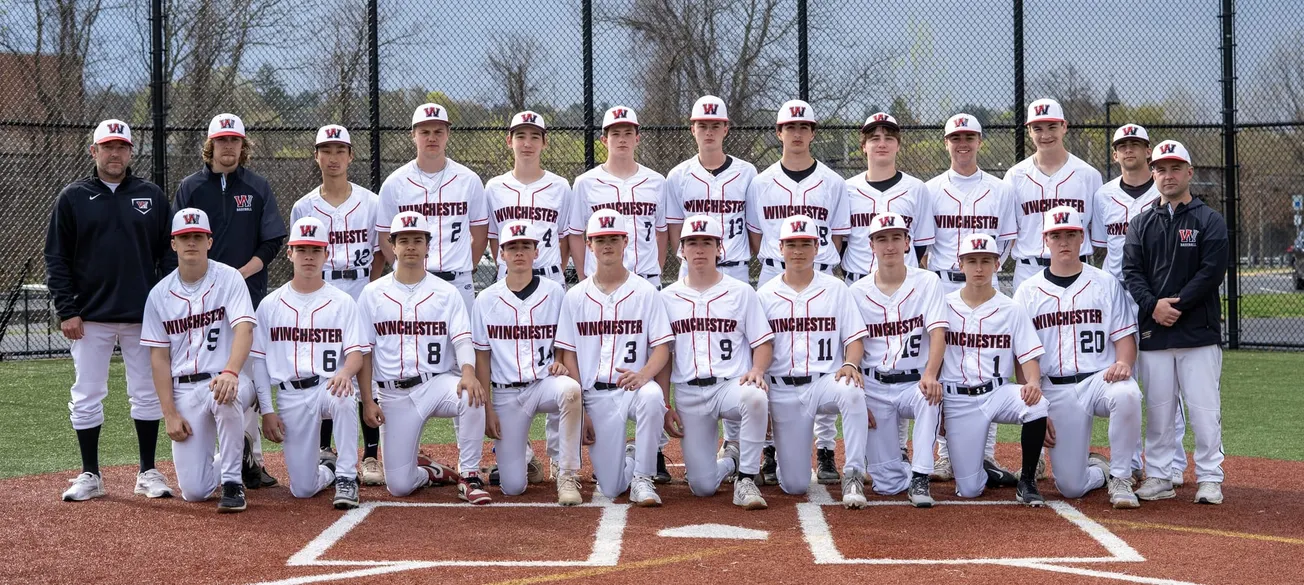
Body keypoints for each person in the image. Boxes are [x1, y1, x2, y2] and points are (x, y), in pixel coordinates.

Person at [45, 119, 175, 502]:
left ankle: (147, 471)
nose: (115, 153)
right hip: (89, 318)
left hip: (142, 317)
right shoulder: (72, 197)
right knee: (86, 393)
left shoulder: (151, 196)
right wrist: (67, 310)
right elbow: (56, 258)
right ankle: (90, 474)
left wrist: (163, 306)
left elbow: (168, 256)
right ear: (94, 151)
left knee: (147, 394)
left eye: (122, 147)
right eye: (107, 146)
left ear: (131, 152)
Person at [173, 112, 286, 489]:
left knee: (245, 377)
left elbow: (271, 242)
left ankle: (249, 460)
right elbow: (179, 240)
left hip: (246, 295)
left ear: (243, 145)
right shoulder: (191, 187)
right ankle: (219, 457)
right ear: (211, 145)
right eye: (221, 140)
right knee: (209, 375)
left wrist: (238, 276)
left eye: (234, 140)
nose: (228, 146)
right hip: (201, 304)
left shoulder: (257, 186)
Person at [566, 106, 675, 483]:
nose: (622, 137)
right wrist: (587, 276)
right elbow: (577, 234)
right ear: (604, 139)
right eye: (615, 132)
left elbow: (661, 232)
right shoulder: (586, 183)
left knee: (652, 367)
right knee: (600, 358)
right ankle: (581, 451)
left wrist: (653, 271)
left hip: (644, 281)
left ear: (638, 137)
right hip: (600, 285)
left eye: (628, 131)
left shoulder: (657, 181)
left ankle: (654, 452)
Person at [745, 99, 851, 485]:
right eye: (790, 127)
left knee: (823, 360)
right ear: (779, 133)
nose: (797, 133)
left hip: (820, 276)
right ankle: (770, 446)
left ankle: (825, 448)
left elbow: (838, 235)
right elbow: (756, 237)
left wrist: (818, 267)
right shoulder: (760, 182)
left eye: (804, 127)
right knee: (771, 360)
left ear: (812, 132)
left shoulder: (833, 182)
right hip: (773, 276)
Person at [1013, 206, 1143, 509]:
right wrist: (1037, 410)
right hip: (1054, 389)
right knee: (1071, 487)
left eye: (1070, 234)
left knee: (1127, 393)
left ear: (1081, 237)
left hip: (1099, 379)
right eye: (1056, 235)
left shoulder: (1104, 283)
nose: (1064, 242)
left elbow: (1125, 339)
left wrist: (1123, 363)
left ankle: (1122, 478)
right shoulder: (1028, 291)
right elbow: (1022, 359)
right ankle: (1101, 470)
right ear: (1045, 239)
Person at [357, 211, 492, 504]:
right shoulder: (371, 294)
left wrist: (468, 372)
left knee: (470, 394)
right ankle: (426, 472)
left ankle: (468, 476)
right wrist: (368, 399)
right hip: (392, 394)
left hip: (435, 384)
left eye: (418, 240)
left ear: (428, 245)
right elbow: (364, 353)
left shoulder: (446, 292)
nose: (411, 246)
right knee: (399, 486)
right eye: (403, 240)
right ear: (392, 245)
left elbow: (462, 339)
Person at [140, 208, 268, 512]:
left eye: (198, 236)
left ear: (209, 241)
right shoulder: (159, 295)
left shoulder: (229, 279)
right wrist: (169, 413)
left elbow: (244, 330)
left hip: (229, 379)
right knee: (195, 492)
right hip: (185, 389)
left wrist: (231, 371)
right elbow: (158, 359)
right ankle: (237, 451)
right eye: (184, 237)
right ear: (174, 244)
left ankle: (234, 483)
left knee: (224, 395)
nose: (191, 243)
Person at [1123, 140, 1229, 505]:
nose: (1167, 176)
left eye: (1174, 168)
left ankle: (1210, 477)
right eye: (1160, 169)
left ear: (1189, 173)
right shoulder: (1140, 223)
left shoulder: (1209, 219)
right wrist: (1154, 307)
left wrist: (1176, 305)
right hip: (1155, 333)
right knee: (1158, 412)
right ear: (1153, 174)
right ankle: (1160, 476)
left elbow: (1211, 272)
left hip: (1198, 333)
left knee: (1203, 411)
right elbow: (1131, 272)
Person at [923, 113, 1019, 483]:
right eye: (955, 137)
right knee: (946, 369)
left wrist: (985, 278)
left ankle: (987, 454)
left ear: (980, 141)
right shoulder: (929, 189)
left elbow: (1006, 242)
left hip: (986, 285)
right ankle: (945, 455)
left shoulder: (1000, 188)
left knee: (990, 366)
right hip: (944, 285)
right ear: (946, 143)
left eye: (969, 137)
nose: (963, 143)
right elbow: (923, 245)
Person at [249, 217, 371, 509]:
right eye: (302, 249)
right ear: (289, 253)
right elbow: (260, 365)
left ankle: (346, 477)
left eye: (316, 250)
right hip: (290, 395)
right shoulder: (270, 305)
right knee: (302, 489)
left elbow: (357, 354)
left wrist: (345, 372)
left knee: (343, 395)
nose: (308, 256)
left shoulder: (342, 302)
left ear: (327, 255)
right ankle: (329, 470)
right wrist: (267, 411)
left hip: (327, 386)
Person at [289, 124, 386, 487]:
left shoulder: (371, 201)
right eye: (326, 151)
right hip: (322, 293)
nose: (333, 157)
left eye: (339, 151)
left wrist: (369, 286)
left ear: (350, 156)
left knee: (365, 370)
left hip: (360, 286)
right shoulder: (304, 206)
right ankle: (325, 449)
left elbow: (379, 253)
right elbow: (299, 254)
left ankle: (372, 454)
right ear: (316, 156)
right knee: (326, 365)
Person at [555, 209, 673, 507]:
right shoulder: (575, 296)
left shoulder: (646, 292)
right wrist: (582, 407)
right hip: (597, 395)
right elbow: (569, 354)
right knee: (610, 487)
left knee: (651, 396)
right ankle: (632, 459)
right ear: (589, 245)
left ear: (625, 242)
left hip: (633, 388)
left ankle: (644, 477)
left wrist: (644, 374)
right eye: (600, 239)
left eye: (613, 239)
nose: (607, 245)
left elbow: (662, 347)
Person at [657, 215, 773, 510]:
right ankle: (732, 462)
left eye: (706, 242)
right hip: (689, 393)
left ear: (719, 248)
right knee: (703, 487)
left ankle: (746, 477)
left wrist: (757, 370)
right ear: (681, 249)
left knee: (756, 396)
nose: (699, 249)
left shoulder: (741, 291)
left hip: (730, 386)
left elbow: (762, 342)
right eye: (692, 243)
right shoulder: (667, 297)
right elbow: (664, 355)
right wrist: (666, 404)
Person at [756, 215, 871, 509]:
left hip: (824, 381)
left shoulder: (835, 289)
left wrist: (852, 364)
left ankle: (854, 473)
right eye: (791, 244)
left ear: (817, 247)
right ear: (779, 248)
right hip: (782, 388)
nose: (798, 251)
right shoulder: (764, 295)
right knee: (794, 485)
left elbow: (855, 338)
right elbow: (756, 350)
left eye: (805, 244)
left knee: (853, 390)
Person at [483, 111, 573, 483]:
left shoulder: (560, 186)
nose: (527, 142)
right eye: (520, 135)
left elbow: (567, 239)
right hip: (509, 284)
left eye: (534, 136)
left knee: (556, 367)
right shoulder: (494, 187)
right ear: (509, 141)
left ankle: (559, 457)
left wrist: (551, 271)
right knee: (511, 362)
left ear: (544, 142)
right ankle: (521, 453)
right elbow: (491, 240)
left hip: (550, 280)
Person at [1093, 124, 1185, 485]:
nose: (1128, 150)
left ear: (1149, 151)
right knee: (1121, 381)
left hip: (1156, 297)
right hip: (1116, 297)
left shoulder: (1166, 190)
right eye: (1122, 146)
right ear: (1115, 154)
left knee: (1164, 383)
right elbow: (1104, 246)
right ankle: (1128, 462)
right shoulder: (1103, 195)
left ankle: (1173, 462)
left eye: (1136, 144)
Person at [473, 220, 584, 505]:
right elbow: (482, 358)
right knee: (512, 487)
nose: (519, 252)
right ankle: (527, 459)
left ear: (537, 252)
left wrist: (560, 362)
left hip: (544, 383)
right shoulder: (485, 300)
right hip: (506, 392)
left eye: (525, 246)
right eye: (512, 247)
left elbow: (563, 340)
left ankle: (566, 471)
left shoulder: (555, 292)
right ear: (502, 254)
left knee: (571, 390)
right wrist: (488, 409)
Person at [939, 233, 1049, 507]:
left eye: (986, 261)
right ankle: (989, 472)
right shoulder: (944, 306)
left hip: (997, 392)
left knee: (1036, 405)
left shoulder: (1011, 309)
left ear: (997, 265)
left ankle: (1027, 480)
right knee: (969, 489)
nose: (979, 268)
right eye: (972, 261)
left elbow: (1028, 355)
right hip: (957, 400)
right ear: (960, 264)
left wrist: (1033, 382)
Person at [849, 212, 945, 508]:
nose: (889, 245)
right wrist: (857, 399)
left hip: (914, 382)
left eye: (895, 238)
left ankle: (920, 474)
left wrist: (931, 373)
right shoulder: (856, 291)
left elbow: (938, 332)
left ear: (907, 242)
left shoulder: (928, 281)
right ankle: (903, 470)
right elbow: (853, 345)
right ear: (872, 245)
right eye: (881, 239)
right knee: (887, 485)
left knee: (929, 397)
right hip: (876, 386)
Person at [377, 103, 489, 311]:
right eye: (425, 132)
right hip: (411, 282)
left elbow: (480, 236)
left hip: (457, 281)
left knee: (463, 342)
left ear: (448, 134)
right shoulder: (395, 183)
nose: (432, 138)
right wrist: (402, 268)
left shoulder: (469, 180)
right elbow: (384, 235)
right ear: (413, 135)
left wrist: (464, 268)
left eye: (438, 131)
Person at [1003, 98, 1105, 291]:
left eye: (1052, 127)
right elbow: (1009, 232)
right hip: (1028, 271)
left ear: (1064, 127)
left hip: (1078, 271)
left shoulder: (1088, 175)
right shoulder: (1015, 176)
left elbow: (1096, 231)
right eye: (1038, 128)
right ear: (1029, 131)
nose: (1046, 135)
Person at [665, 95, 758, 284]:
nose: (709, 132)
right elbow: (675, 228)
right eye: (702, 126)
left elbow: (753, 225)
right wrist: (687, 258)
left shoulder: (747, 172)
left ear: (725, 129)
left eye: (715, 126)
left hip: (735, 268)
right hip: (692, 270)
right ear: (693, 130)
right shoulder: (678, 175)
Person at [841, 112, 934, 283]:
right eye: (874, 139)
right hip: (856, 282)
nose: (882, 144)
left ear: (898, 145)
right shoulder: (846, 189)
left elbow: (920, 245)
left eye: (889, 138)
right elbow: (842, 242)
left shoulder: (916, 188)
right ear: (864, 146)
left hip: (904, 285)